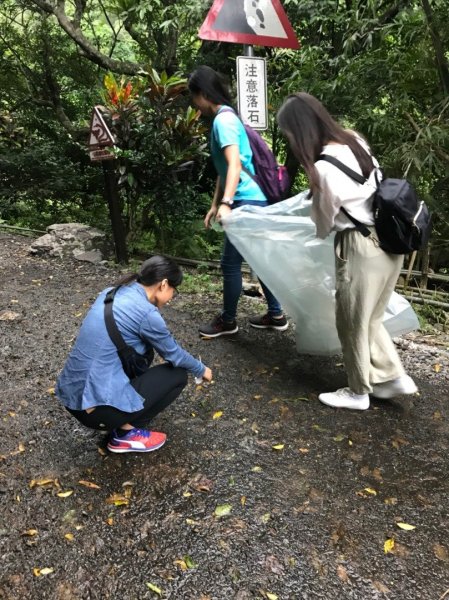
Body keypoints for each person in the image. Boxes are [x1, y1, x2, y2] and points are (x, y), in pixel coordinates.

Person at [276, 92, 417, 410]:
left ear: (300, 131)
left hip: (359, 248)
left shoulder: (323, 169)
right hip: (389, 243)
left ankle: (357, 392)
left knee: (351, 321)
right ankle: (392, 375)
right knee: (371, 316)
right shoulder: (354, 140)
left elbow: (324, 224)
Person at [56, 256, 212, 452]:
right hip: (96, 412)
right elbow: (175, 355)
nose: (172, 296)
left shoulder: (110, 293)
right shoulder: (147, 314)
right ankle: (126, 434)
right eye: (174, 290)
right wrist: (201, 369)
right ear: (164, 285)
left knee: (140, 351)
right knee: (178, 374)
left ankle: (120, 419)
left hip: (71, 396)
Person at [188, 65, 288, 338]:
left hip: (246, 202)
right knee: (261, 261)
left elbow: (234, 165)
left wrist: (227, 203)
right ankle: (276, 314)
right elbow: (226, 169)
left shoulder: (223, 121)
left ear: (202, 94)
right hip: (255, 199)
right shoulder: (229, 118)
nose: (194, 104)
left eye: (194, 97)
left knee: (230, 264)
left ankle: (229, 320)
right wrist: (214, 202)